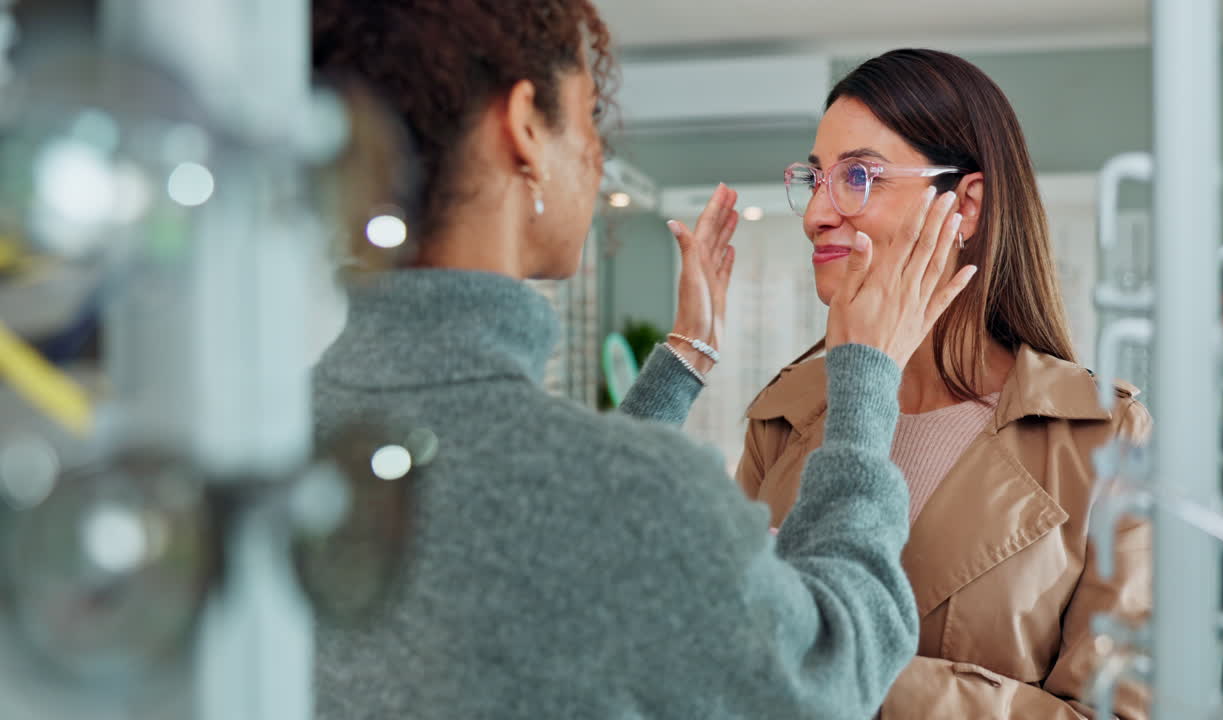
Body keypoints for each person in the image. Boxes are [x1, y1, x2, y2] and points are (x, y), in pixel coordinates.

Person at [309, 3, 976, 718]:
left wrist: (683, 356)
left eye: (861, 177)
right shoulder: (635, 489)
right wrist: (867, 377)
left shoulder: (274, 440)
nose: (598, 155)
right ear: (526, 126)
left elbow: (588, 544)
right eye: (591, 117)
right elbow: (826, 670)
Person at [737, 48, 1152, 719]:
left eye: (860, 176)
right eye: (815, 179)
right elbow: (711, 658)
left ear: (966, 205)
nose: (816, 213)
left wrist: (848, 670)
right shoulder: (781, 420)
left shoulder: (1104, 439)